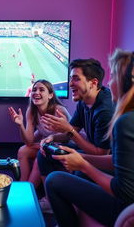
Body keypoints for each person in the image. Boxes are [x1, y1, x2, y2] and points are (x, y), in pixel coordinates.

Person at [45, 49, 134, 227]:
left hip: (125, 207)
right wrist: (57, 139)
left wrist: (83, 165)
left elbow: (125, 192)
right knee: (57, 156)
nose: (109, 82)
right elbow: (118, 160)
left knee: (54, 180)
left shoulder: (121, 119)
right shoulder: (86, 104)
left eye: (114, 76)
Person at [37, 58, 114, 211]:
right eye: (70, 79)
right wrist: (52, 137)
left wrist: (69, 130)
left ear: (93, 83)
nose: (70, 83)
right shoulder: (84, 101)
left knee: (78, 173)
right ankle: (50, 201)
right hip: (91, 151)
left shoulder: (105, 110)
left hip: (106, 161)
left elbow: (100, 152)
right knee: (45, 152)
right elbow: (71, 132)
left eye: (76, 79)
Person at [8, 79, 71, 188]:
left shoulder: (58, 110)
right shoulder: (31, 111)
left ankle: (28, 190)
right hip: (47, 144)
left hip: (67, 145)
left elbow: (68, 137)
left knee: (39, 157)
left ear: (50, 95)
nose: (36, 92)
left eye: (41, 90)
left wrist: (51, 138)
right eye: (34, 90)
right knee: (23, 150)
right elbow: (29, 141)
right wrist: (20, 125)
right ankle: (22, 185)